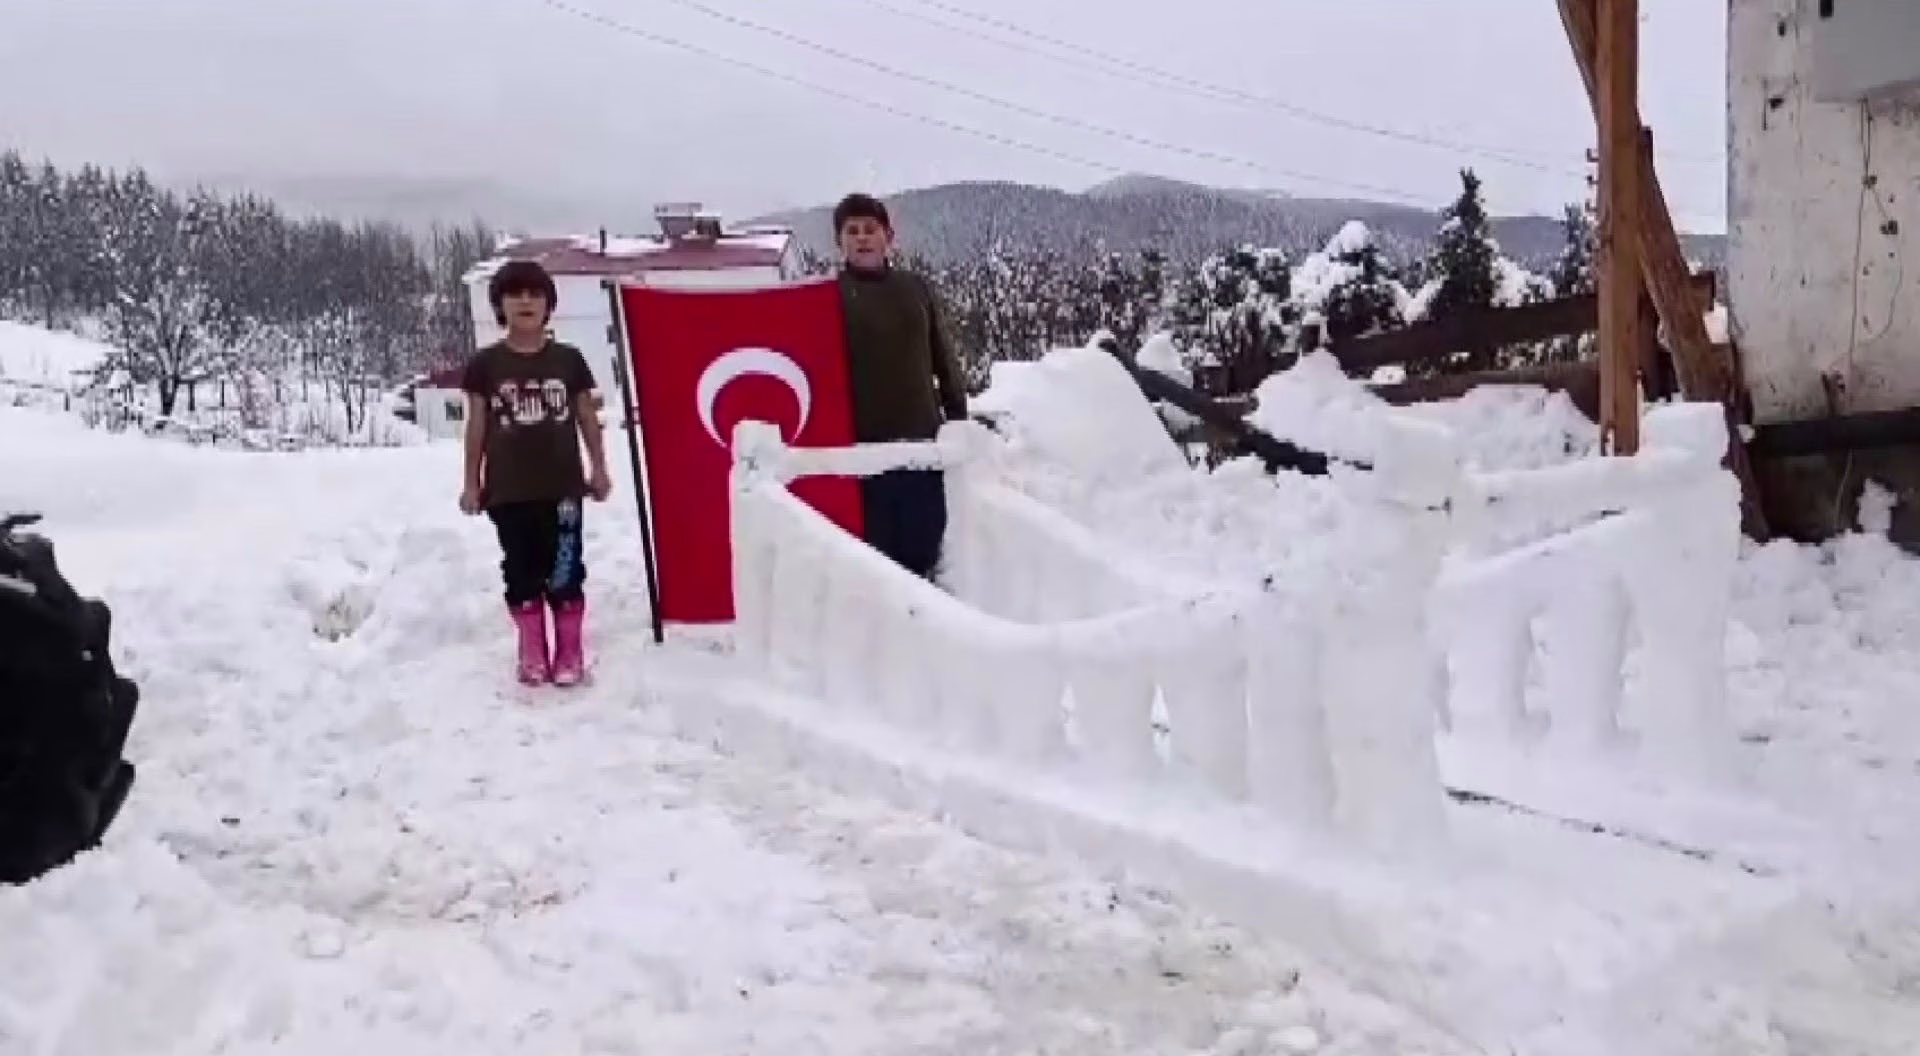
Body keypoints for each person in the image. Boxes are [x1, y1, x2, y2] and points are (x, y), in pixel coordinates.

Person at [459, 260, 613, 686]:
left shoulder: (568, 360)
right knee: (521, 570)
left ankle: (569, 650)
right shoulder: (485, 364)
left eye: (535, 294)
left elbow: (586, 417)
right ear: (499, 306)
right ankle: (532, 649)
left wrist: (599, 469)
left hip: (563, 489)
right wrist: (472, 482)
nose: (525, 302)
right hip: (508, 491)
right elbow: (476, 426)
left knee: (565, 568)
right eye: (515, 294)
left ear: (548, 306)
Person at [833, 192, 969, 579]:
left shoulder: (915, 288)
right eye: (852, 231)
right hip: (861, 449)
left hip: (920, 442)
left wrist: (957, 414)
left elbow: (942, 352)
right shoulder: (829, 296)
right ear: (839, 241)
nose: (862, 238)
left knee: (924, 548)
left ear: (888, 236)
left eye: (871, 229)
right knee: (875, 561)